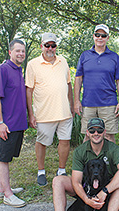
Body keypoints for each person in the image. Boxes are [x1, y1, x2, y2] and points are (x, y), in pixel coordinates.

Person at [50, 118, 119, 211]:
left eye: (99, 130)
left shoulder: (113, 149)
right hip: (86, 188)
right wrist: (86, 199)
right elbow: (76, 181)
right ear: (87, 133)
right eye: (92, 131)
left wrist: (104, 191)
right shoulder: (80, 151)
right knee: (58, 180)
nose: (96, 133)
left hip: (106, 188)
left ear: (104, 132)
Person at [25, 33, 74, 186]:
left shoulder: (63, 61)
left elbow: (68, 85)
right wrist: (31, 114)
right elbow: (29, 90)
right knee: (42, 142)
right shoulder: (33, 64)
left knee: (65, 141)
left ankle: (61, 170)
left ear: (56, 47)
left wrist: (72, 106)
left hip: (64, 113)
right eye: (47, 45)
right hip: (44, 114)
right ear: (42, 46)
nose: (50, 48)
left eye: (53, 45)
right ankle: (41, 171)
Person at [74, 24, 119, 143]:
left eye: (103, 35)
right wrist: (77, 101)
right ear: (93, 36)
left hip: (108, 103)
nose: (100, 38)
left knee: (108, 136)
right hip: (88, 103)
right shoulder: (84, 56)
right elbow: (78, 78)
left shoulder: (114, 57)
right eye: (97, 35)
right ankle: (87, 161)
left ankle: (109, 161)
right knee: (88, 136)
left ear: (107, 38)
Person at [0, 39, 28, 207]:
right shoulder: (3, 70)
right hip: (7, 125)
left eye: (23, 51)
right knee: (3, 158)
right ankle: (8, 194)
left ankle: (2, 188)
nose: (21, 54)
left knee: (7, 158)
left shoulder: (19, 70)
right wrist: (0, 123)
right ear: (10, 52)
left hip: (18, 124)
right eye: (17, 51)